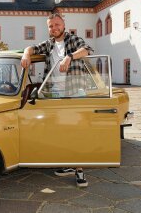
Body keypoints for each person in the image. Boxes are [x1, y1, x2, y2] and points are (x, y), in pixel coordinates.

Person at [20, 12, 93, 187]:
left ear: (63, 25)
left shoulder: (73, 40)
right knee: (60, 130)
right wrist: (25, 55)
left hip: (74, 91)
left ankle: (80, 171)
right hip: (54, 93)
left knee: (77, 131)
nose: (54, 28)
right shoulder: (49, 44)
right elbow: (32, 48)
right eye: (51, 26)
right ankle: (67, 164)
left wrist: (70, 57)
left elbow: (87, 50)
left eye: (57, 25)